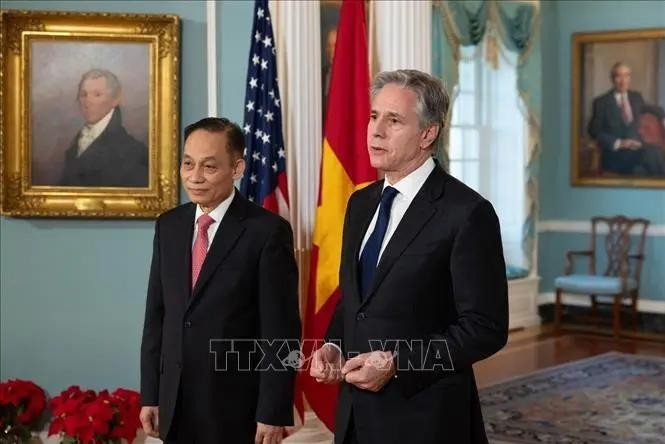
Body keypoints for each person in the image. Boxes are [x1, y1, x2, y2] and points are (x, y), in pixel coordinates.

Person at [310, 69, 509, 444]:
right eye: (373, 116)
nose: (376, 131)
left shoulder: (466, 213)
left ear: (428, 133)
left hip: (425, 418)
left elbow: (485, 328)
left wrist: (398, 364)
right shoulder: (361, 203)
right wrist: (334, 344)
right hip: (354, 417)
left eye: (394, 120)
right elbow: (357, 299)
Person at [140, 117, 301, 443]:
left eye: (209, 167)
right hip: (175, 405)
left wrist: (272, 410)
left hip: (237, 411)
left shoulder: (266, 232)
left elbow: (281, 331)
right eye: (188, 164)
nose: (195, 177)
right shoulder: (169, 226)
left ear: (237, 168)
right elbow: (157, 317)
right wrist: (151, 394)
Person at [60, 69, 148, 187]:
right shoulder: (77, 142)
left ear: (115, 99)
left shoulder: (134, 152)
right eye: (83, 94)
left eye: (97, 94)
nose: (87, 101)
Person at [587, 62, 662, 175]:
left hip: (637, 149)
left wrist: (663, 117)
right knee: (652, 154)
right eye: (619, 76)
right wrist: (619, 143)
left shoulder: (636, 97)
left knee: (651, 157)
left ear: (630, 78)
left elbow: (652, 109)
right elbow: (593, 130)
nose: (623, 80)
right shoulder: (601, 102)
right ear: (612, 79)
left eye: (626, 75)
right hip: (616, 154)